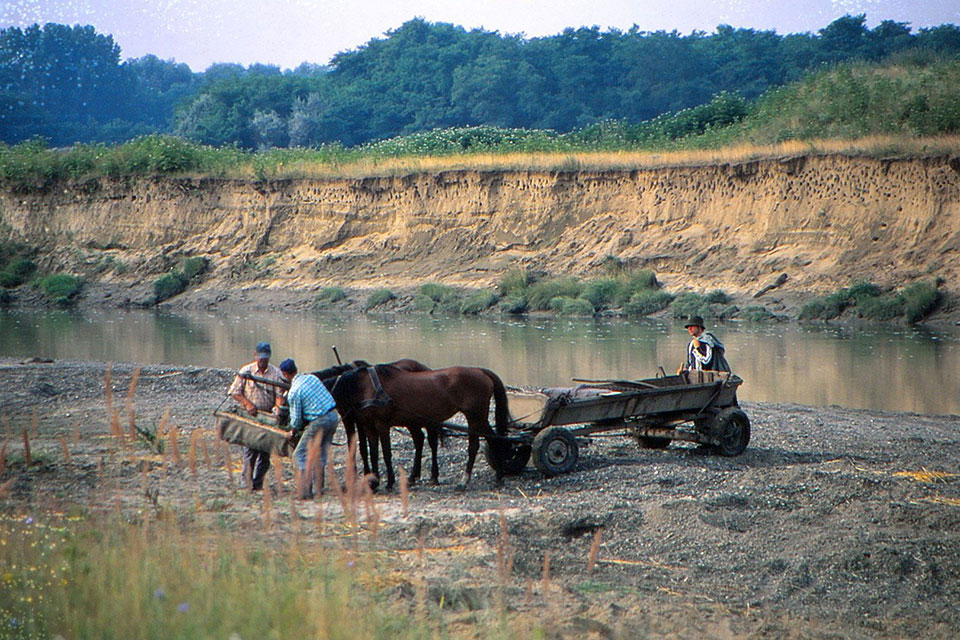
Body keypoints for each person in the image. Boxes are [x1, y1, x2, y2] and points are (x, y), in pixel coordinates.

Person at [227, 341, 286, 491]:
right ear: (255, 355)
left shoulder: (276, 373)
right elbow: (235, 391)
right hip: (251, 416)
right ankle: (246, 483)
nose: (263, 361)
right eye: (260, 358)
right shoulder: (246, 370)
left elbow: (280, 396)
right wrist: (247, 404)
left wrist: (276, 410)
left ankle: (258, 483)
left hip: (267, 416)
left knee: (265, 453)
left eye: (265, 358)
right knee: (250, 450)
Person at [279, 358, 340, 500]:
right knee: (321, 454)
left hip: (319, 421)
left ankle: (304, 492)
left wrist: (292, 432)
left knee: (299, 455)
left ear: (285, 374)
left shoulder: (294, 391)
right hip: (333, 416)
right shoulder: (312, 378)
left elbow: (297, 420)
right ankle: (319, 489)